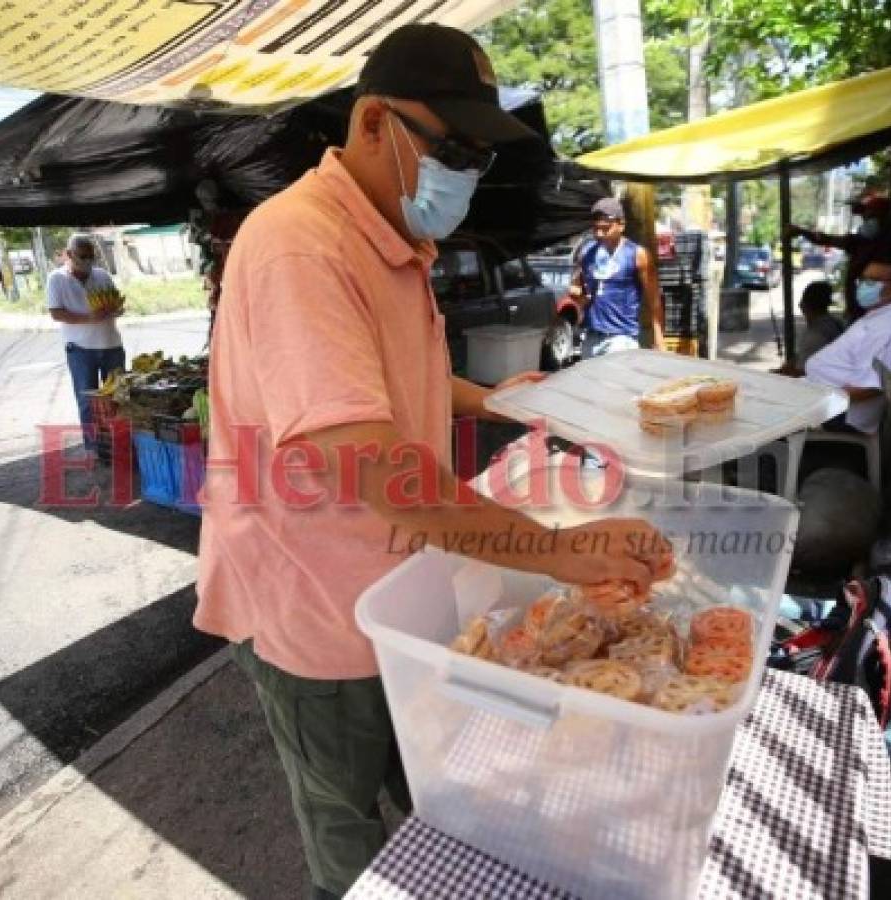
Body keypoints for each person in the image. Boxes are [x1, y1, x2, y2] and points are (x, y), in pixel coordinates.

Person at [194, 24, 672, 900]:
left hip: (393, 589)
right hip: (313, 602)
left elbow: (374, 380)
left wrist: (488, 399)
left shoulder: (391, 241)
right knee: (344, 824)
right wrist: (559, 550)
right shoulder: (302, 245)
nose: (465, 170)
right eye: (451, 146)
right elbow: (367, 459)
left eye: (479, 155)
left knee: (432, 797)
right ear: (373, 121)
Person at [804, 253, 891, 433]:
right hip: (823, 397)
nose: (864, 286)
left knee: (766, 417)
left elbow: (870, 387)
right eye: (863, 279)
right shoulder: (882, 313)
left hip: (842, 414)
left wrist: (819, 401)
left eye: (873, 281)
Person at [46, 234, 125, 453]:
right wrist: (88, 318)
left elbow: (117, 302)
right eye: (83, 256)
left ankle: (120, 441)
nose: (88, 261)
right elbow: (56, 313)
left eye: (91, 256)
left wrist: (115, 309)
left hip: (111, 345)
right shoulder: (57, 279)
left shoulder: (101, 275)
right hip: (80, 350)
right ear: (69, 254)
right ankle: (95, 447)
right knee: (87, 401)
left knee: (118, 397)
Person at [572, 196, 664, 357]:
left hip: (621, 338)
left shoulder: (637, 254)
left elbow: (654, 299)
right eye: (596, 229)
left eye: (605, 228)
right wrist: (577, 295)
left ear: (621, 225)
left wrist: (659, 337)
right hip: (592, 335)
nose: (600, 234)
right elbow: (580, 289)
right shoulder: (587, 252)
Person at [789, 190, 891, 323]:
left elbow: (825, 239)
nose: (866, 222)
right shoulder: (859, 242)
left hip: (873, 311)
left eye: (871, 218)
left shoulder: (886, 245)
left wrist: (800, 231)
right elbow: (824, 239)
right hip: (861, 310)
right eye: (865, 218)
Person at [776, 280, 844, 375]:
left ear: (804, 305)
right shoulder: (834, 323)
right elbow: (801, 356)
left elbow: (802, 373)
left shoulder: (816, 335)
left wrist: (778, 375)